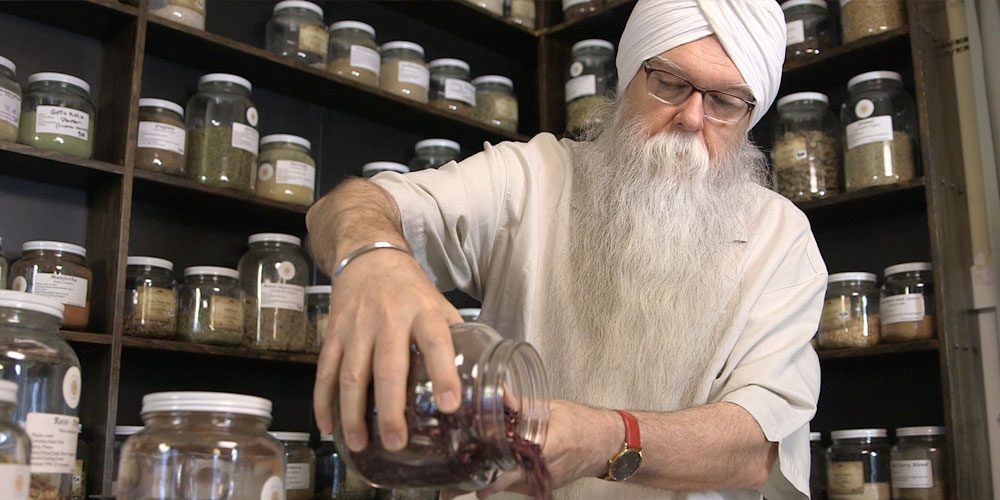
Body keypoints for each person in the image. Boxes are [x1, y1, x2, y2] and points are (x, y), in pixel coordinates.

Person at [306, 0, 826, 498]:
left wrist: (604, 439)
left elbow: (756, 447)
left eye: (724, 103)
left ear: (749, 115)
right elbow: (343, 208)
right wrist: (373, 257)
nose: (692, 118)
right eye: (669, 83)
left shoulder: (780, 238)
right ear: (629, 79)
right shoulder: (530, 178)